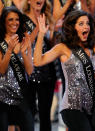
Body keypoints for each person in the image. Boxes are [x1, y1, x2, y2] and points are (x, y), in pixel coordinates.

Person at [34, 9, 95, 131]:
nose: (85, 26)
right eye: (81, 24)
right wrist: (40, 35)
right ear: (73, 27)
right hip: (71, 107)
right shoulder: (63, 48)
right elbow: (38, 61)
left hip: (90, 108)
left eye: (87, 23)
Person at [22, 0, 57, 131]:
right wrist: (39, 27)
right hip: (29, 69)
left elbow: (52, 46)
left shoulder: (48, 16)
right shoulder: (22, 18)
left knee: (45, 113)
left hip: (47, 69)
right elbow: (26, 43)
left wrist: (53, 31)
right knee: (29, 111)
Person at [0, 6, 34, 131]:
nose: (15, 23)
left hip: (22, 96)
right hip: (2, 97)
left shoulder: (24, 40)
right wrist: (9, 50)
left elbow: (30, 71)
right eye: (10, 20)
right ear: (4, 22)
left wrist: (25, 52)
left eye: (17, 19)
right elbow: (2, 70)